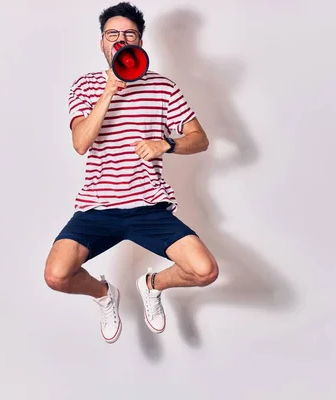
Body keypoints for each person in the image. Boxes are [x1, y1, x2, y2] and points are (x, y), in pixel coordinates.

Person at [44, 1, 219, 344]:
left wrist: (166, 143)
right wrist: (109, 91)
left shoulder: (163, 88)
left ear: (139, 42)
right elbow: (81, 143)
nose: (120, 40)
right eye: (113, 34)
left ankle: (151, 285)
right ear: (102, 43)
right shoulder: (85, 86)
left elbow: (200, 139)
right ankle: (104, 294)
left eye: (129, 34)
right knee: (56, 275)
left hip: (148, 208)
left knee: (205, 271)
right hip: (97, 208)